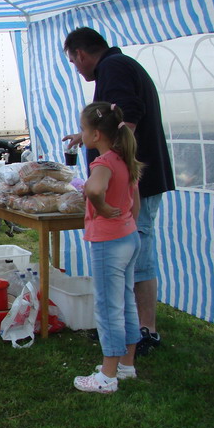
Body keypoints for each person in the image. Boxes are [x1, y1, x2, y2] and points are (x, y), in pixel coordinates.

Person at [63, 27, 175, 356]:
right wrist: (86, 137)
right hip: (135, 183)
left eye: (73, 62)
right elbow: (115, 123)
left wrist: (109, 168)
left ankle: (144, 330)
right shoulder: (118, 65)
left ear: (81, 54)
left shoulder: (113, 68)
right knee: (135, 254)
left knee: (137, 257)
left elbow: (128, 119)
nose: (77, 68)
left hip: (135, 184)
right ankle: (132, 328)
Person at [73, 102, 143, 393]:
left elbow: (94, 189)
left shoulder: (102, 163)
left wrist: (100, 207)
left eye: (83, 129)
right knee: (126, 301)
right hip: (129, 236)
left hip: (108, 242)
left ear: (96, 135)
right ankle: (126, 365)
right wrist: (124, 220)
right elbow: (135, 203)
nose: (81, 134)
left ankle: (107, 376)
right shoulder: (124, 158)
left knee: (108, 308)